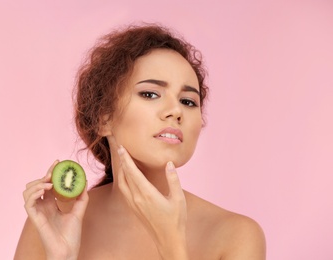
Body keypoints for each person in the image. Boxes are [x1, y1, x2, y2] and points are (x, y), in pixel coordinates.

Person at [14, 23, 266, 260]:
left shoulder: (236, 234)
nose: (175, 111)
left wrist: (172, 245)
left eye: (188, 101)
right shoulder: (51, 222)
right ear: (104, 118)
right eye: (150, 94)